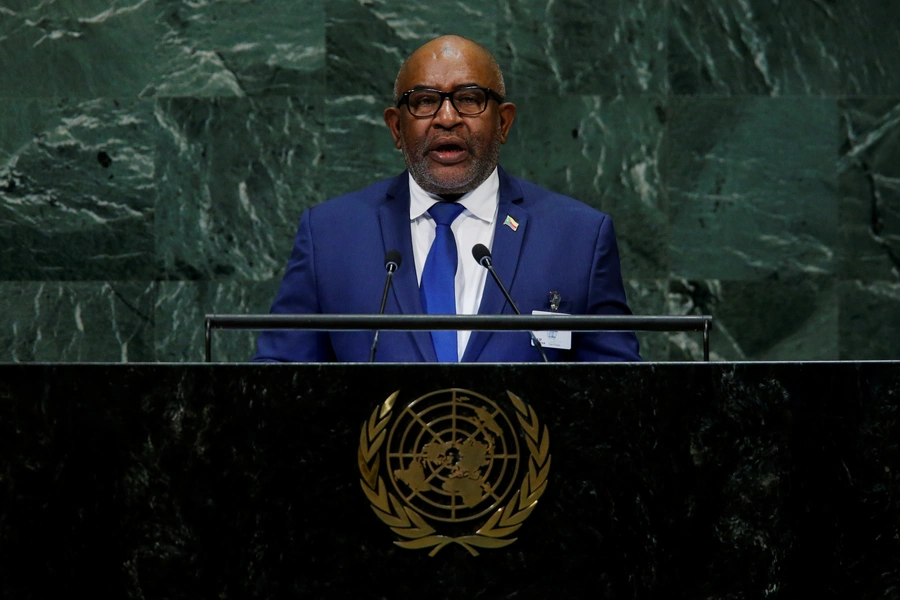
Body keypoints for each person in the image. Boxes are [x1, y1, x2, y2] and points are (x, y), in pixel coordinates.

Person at [253, 35, 641, 363]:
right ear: (396, 128)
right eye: (424, 101)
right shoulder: (329, 235)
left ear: (503, 122)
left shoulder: (579, 237)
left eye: (469, 98)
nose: (447, 117)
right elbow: (278, 384)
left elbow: (620, 394)